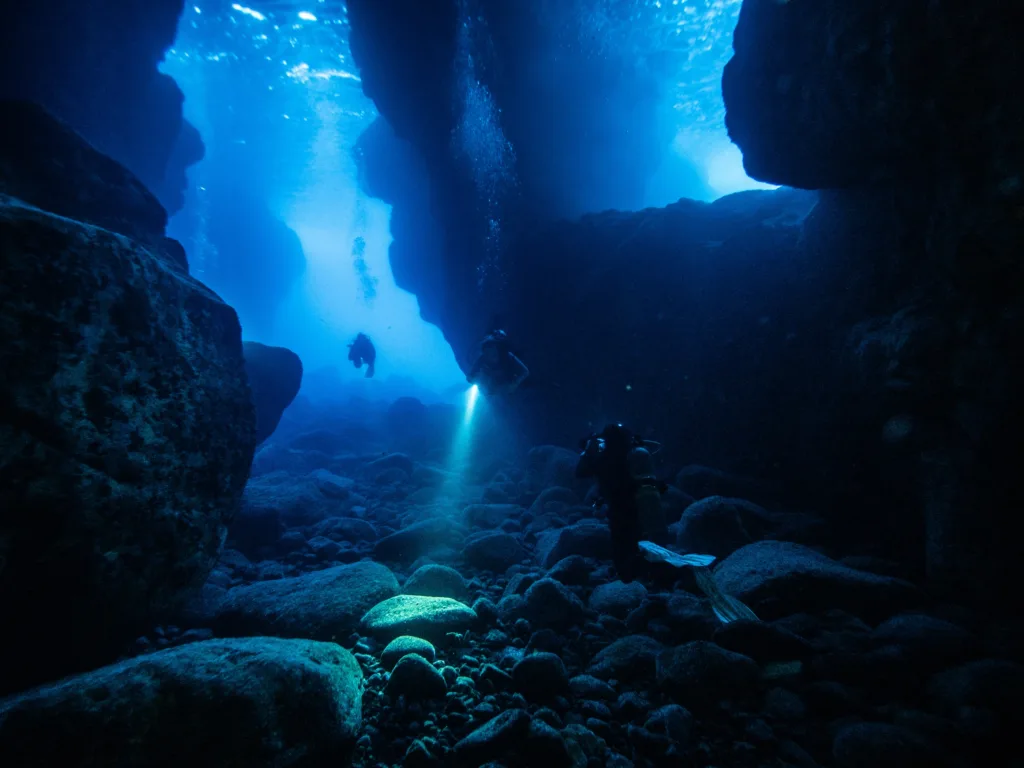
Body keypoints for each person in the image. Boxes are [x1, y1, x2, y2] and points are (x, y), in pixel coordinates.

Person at [576, 423, 668, 582]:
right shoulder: (632, 454)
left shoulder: (604, 458)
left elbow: (580, 472)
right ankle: (650, 573)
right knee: (639, 538)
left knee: (622, 544)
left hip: (619, 507)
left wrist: (588, 451)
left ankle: (628, 579)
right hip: (638, 501)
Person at [467, 329, 529, 395]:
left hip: (508, 387)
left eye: (491, 347)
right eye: (486, 349)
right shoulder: (482, 359)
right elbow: (470, 377)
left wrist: (515, 384)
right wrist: (477, 382)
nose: (489, 352)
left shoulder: (507, 356)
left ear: (496, 347)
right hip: (493, 390)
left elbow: (525, 371)